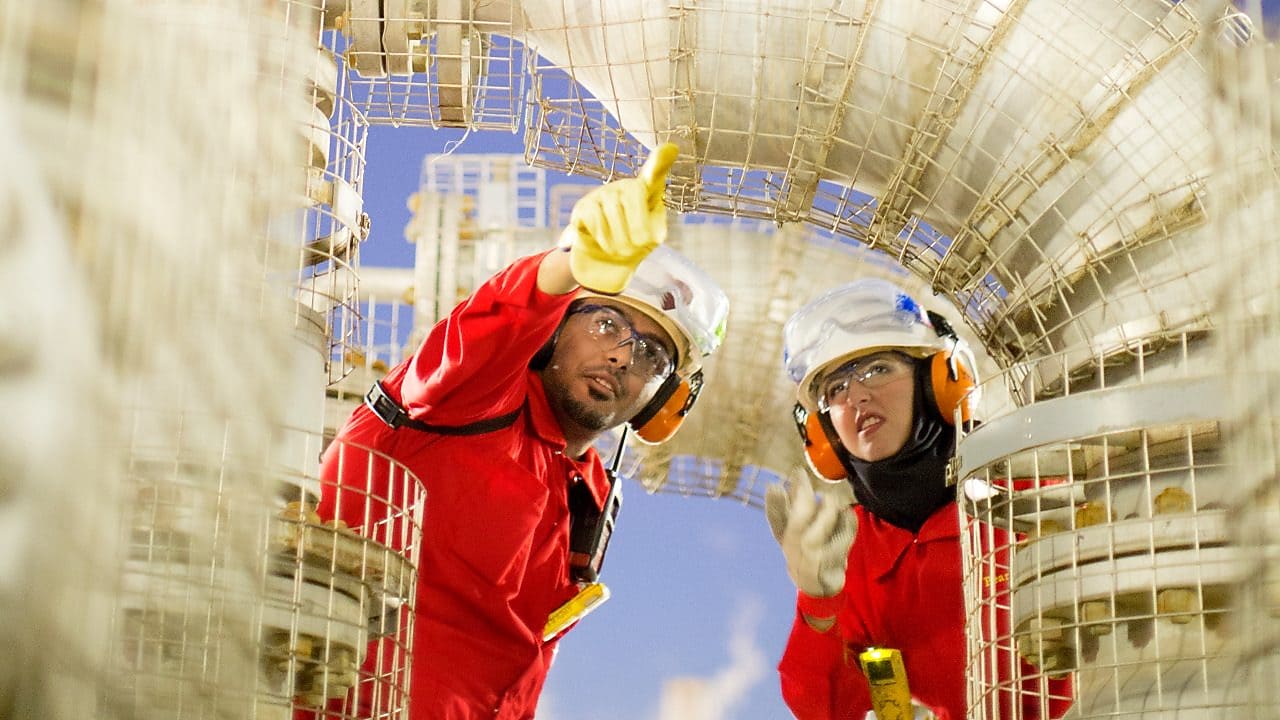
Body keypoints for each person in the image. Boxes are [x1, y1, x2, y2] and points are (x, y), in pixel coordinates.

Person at [316, 143, 730, 720]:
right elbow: (494, 321)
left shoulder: (588, 495)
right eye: (606, 322)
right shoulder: (468, 396)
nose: (620, 356)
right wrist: (568, 263)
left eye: (653, 354)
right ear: (555, 325)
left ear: (664, 397)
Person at [765, 278, 1072, 720]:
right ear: (822, 436)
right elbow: (826, 709)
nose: (857, 397)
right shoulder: (850, 552)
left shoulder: (1031, 494)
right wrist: (817, 602)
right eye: (835, 390)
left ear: (941, 383)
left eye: (877, 369)